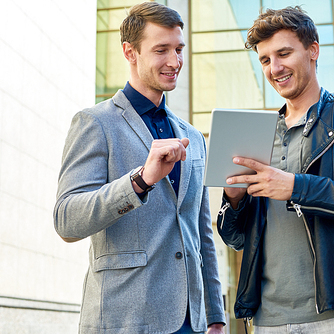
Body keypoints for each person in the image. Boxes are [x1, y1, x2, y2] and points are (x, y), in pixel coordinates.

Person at [217, 6, 334, 334]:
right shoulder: (258, 134)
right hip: (266, 321)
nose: (275, 68)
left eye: (284, 53)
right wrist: (234, 199)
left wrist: (296, 188)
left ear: (313, 50)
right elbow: (235, 238)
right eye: (264, 60)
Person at [53, 2, 225, 333]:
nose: (175, 61)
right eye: (161, 50)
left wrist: (215, 316)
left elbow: (201, 233)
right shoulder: (95, 124)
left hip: (192, 322)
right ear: (130, 52)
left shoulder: (192, 137)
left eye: (178, 49)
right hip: (125, 320)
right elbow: (66, 220)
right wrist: (140, 181)